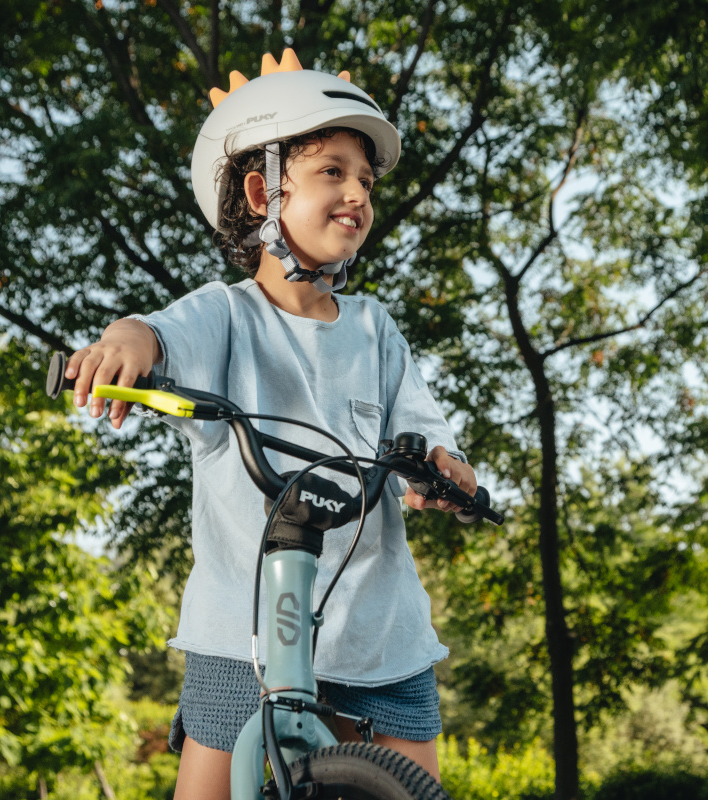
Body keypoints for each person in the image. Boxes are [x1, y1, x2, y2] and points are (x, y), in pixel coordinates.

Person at [62, 49, 475, 798]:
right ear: (262, 191)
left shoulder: (376, 329)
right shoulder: (223, 314)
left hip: (377, 628)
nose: (357, 192)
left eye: (366, 180)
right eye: (333, 171)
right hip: (240, 628)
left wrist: (444, 469)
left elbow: (424, 427)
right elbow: (154, 333)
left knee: (411, 788)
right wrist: (122, 347)